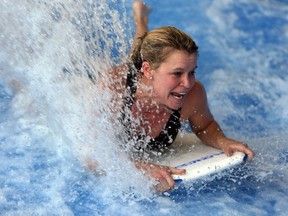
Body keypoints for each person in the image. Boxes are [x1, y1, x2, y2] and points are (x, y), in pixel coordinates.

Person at [107, 1, 255, 192]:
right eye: (177, 73)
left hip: (147, 72)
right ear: (148, 71)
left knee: (140, 55)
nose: (188, 83)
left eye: (192, 72)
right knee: (134, 57)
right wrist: (138, 167)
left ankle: (141, 18)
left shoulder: (193, 94)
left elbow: (205, 126)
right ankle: (140, 19)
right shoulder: (113, 90)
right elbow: (90, 155)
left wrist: (222, 141)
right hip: (120, 80)